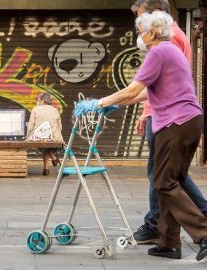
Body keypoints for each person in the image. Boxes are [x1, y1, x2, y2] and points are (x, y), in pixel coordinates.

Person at [74, 11, 207, 261]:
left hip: (174, 123)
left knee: (163, 182)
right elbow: (146, 92)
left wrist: (99, 102)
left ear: (152, 32)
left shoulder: (157, 51)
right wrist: (115, 104)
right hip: (190, 120)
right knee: (172, 181)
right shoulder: (172, 52)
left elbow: (133, 88)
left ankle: (203, 233)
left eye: (139, 31)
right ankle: (169, 243)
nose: (139, 36)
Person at [130, 0, 207, 245]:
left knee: (162, 177)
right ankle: (169, 240)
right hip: (175, 116)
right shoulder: (176, 38)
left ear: (155, 19)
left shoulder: (165, 43)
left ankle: (166, 227)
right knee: (174, 176)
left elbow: (145, 85)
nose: (139, 31)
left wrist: (100, 104)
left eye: (141, 22)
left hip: (168, 119)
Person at [26, 93, 64, 176]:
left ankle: (47, 167)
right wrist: (58, 136)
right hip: (53, 137)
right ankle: (48, 165)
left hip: (39, 137)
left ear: (43, 101)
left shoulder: (36, 109)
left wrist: (28, 136)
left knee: (44, 143)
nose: (38, 102)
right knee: (48, 145)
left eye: (38, 101)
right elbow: (59, 126)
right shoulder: (55, 110)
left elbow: (31, 125)